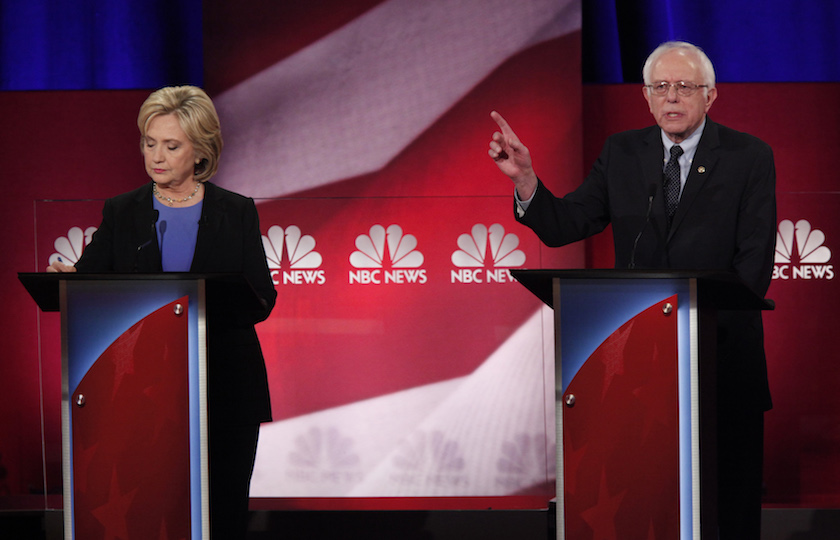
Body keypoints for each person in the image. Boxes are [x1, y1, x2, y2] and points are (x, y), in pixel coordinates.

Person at [488, 41, 775, 540]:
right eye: (661, 87)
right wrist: (528, 182)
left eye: (685, 87)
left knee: (728, 510)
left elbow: (753, 268)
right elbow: (567, 224)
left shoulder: (748, 156)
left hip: (721, 364)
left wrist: (689, 333)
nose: (672, 98)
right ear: (645, 96)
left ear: (711, 96)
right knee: (642, 507)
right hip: (638, 373)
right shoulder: (623, 152)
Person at [48, 85, 277, 539]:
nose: (157, 156)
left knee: (222, 515)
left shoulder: (236, 212)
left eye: (171, 146)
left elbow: (263, 298)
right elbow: (91, 282)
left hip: (223, 387)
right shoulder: (123, 212)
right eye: (149, 143)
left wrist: (205, 300)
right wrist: (71, 276)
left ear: (200, 150)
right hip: (139, 394)